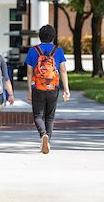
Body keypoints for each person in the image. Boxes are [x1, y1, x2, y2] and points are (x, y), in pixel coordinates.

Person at [25, 24, 70, 154]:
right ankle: (47, 140)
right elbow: (63, 70)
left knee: (38, 115)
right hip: (53, 87)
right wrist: (66, 88)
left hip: (38, 87)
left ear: (40, 37)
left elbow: (29, 72)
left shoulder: (33, 51)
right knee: (50, 116)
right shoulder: (58, 50)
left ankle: (43, 134)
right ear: (53, 37)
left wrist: (29, 90)